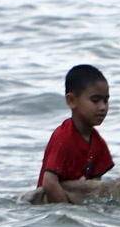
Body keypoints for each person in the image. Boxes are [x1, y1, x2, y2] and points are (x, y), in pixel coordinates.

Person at [37, 64, 114, 203]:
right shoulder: (63, 138)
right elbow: (49, 183)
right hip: (48, 211)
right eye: (95, 100)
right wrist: (69, 214)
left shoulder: (98, 143)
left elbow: (95, 187)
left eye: (106, 100)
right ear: (71, 100)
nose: (103, 107)